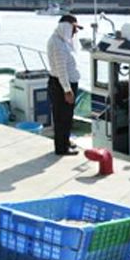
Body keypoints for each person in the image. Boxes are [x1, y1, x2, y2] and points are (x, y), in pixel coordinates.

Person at [47, 14, 83, 156]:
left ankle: (65, 141)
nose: (76, 31)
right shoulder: (57, 44)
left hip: (64, 84)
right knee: (62, 118)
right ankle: (61, 148)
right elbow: (61, 69)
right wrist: (67, 90)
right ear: (66, 26)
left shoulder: (61, 41)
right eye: (74, 28)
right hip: (61, 86)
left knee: (66, 117)